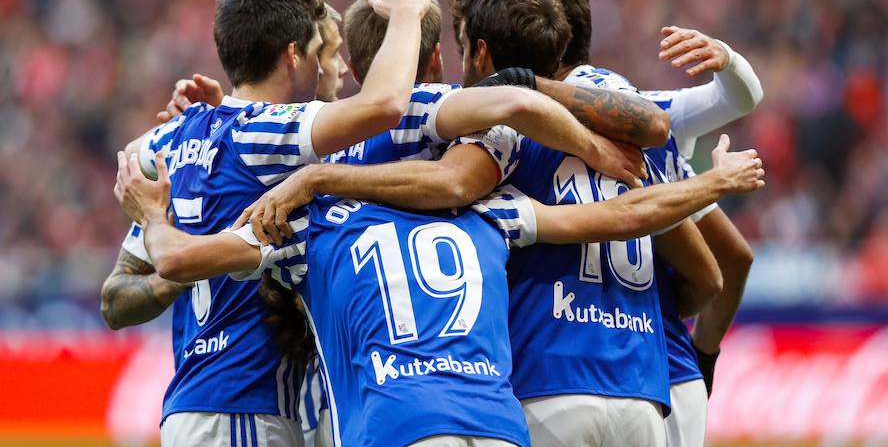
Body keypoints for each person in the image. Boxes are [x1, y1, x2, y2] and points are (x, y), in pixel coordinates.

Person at [113, 131, 764, 447]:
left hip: (401, 423)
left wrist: (149, 212)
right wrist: (714, 180)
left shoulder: (314, 223)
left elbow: (175, 260)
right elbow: (628, 215)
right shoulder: (492, 212)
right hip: (499, 422)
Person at [118, 0, 437, 446]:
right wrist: (409, 13)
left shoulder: (173, 141)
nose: (340, 70)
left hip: (202, 400)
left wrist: (186, 248)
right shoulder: (263, 130)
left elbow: (115, 297)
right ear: (294, 55)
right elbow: (385, 104)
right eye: (326, 54)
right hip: (246, 401)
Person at [489, 0, 763, 446]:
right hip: (653, 373)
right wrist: (705, 354)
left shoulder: (506, 126)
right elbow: (730, 260)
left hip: (584, 368)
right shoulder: (643, 117)